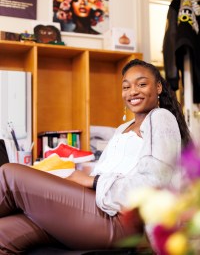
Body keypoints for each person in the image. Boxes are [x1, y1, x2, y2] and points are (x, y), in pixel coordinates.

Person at [0, 59, 191, 254]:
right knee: (3, 233)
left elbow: (152, 182)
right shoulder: (122, 129)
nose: (132, 91)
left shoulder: (160, 118)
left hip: (119, 220)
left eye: (142, 84)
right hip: (94, 209)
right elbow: (105, 170)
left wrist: (92, 181)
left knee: (9, 174)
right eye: (126, 86)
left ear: (158, 87)